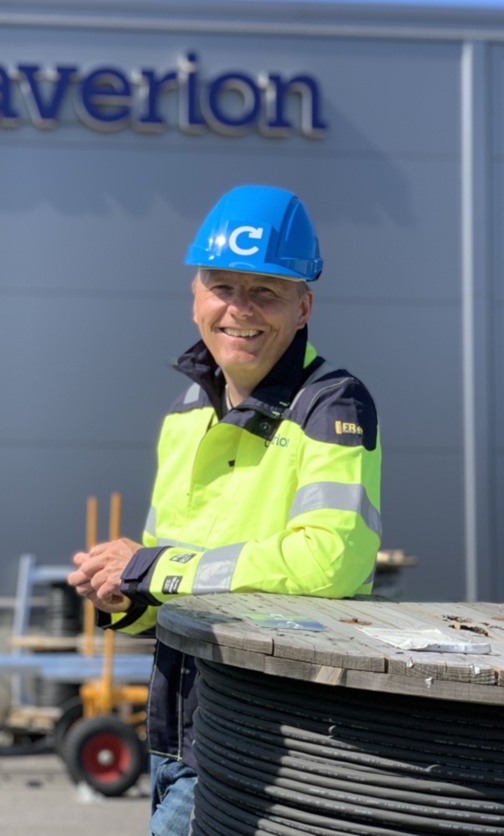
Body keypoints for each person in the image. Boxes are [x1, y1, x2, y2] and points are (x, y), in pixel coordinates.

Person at [68, 185, 381, 836]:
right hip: (178, 735)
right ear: (194, 295)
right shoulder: (186, 412)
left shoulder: (332, 404)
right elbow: (174, 589)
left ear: (304, 306)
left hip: (274, 741)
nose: (239, 310)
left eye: (265, 290)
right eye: (221, 286)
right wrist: (125, 597)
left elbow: (330, 564)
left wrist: (153, 568)